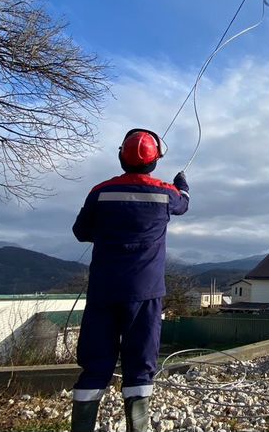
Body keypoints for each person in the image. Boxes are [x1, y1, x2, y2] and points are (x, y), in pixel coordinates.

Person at [70, 128, 190, 432]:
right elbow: (183, 204)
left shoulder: (100, 191)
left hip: (103, 291)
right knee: (140, 365)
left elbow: (81, 232)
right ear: (155, 160)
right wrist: (183, 184)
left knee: (95, 364)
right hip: (146, 293)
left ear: (121, 155)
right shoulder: (166, 193)